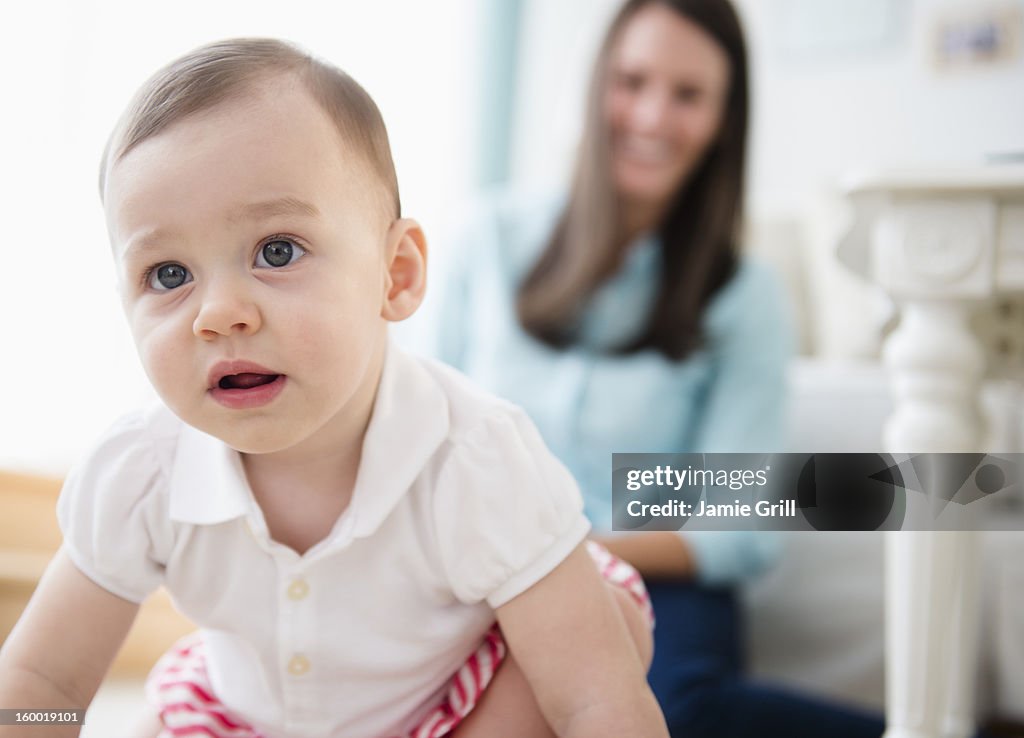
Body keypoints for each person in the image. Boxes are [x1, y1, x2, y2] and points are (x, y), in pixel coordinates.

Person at [0, 39, 670, 738]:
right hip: (242, 714)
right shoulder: (140, 471)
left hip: (451, 707)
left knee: (599, 635)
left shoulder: (475, 459)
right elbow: (44, 682)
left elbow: (596, 701)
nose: (218, 312)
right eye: (168, 275)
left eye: (277, 251)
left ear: (396, 274)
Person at [423, 1, 895, 736]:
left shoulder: (744, 295)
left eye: (688, 94)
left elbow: (738, 527)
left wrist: (562, 558)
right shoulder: (486, 241)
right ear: (595, 85)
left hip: (658, 577)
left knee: (670, 716)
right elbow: (419, 437)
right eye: (632, 80)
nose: (651, 116)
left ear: (722, 120)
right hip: (481, 570)